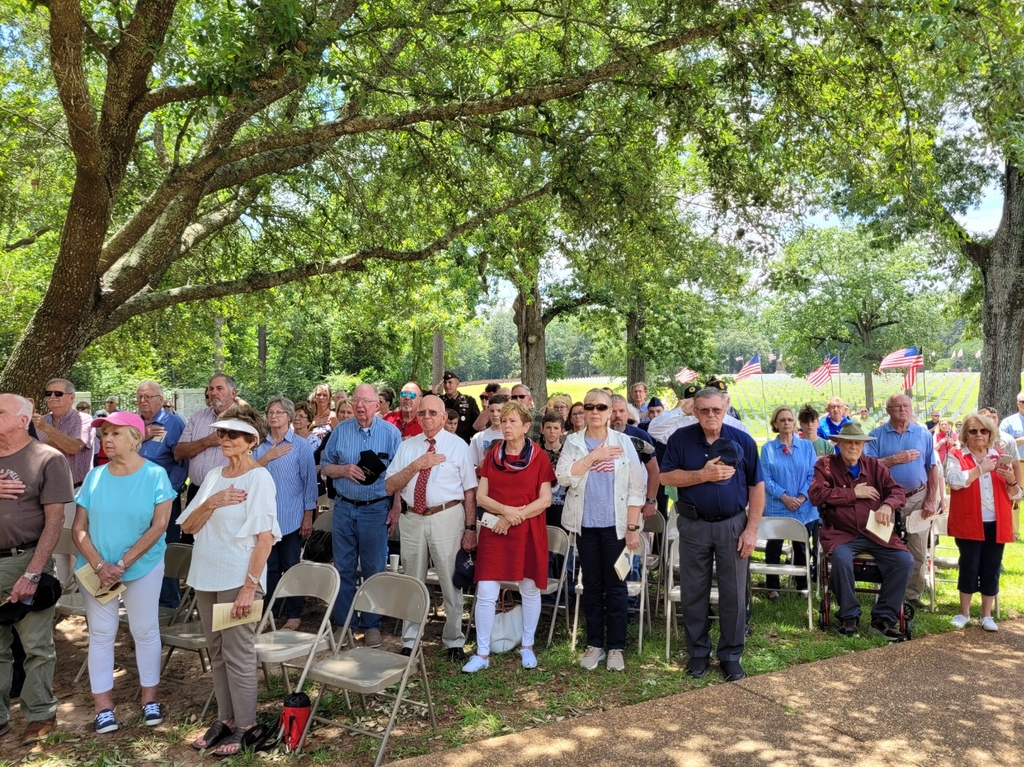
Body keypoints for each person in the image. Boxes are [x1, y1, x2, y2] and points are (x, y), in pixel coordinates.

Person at [178, 405, 281, 757]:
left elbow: (265, 539)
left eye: (232, 434)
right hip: (206, 574)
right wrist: (213, 502)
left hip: (239, 578)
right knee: (217, 651)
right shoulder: (214, 477)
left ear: (251, 440)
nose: (224, 439)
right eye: (221, 433)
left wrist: (250, 587)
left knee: (238, 652)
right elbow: (188, 527)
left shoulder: (259, 479)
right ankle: (225, 719)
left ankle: (247, 725)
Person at [72, 411, 174, 734]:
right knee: (101, 635)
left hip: (142, 566)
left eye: (115, 434)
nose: (107, 440)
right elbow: (78, 529)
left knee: (145, 631)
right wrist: (101, 566)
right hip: (96, 569)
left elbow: (158, 527)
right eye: (104, 435)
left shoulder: (156, 476)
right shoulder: (94, 477)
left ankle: (150, 700)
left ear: (135, 438)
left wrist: (123, 564)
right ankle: (103, 708)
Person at [660, 387, 763, 681]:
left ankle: (731, 655)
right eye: (704, 410)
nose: (710, 415)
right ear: (694, 410)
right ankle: (698, 653)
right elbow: (666, 476)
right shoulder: (680, 439)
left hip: (733, 525)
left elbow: (757, 486)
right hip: (693, 525)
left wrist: (751, 529)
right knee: (694, 591)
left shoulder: (742, 440)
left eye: (716, 410)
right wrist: (701, 475)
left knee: (733, 592)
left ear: (726, 407)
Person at [556, 389, 645, 673]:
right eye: (590, 406)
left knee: (617, 586)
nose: (595, 411)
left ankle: (616, 646)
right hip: (585, 526)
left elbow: (636, 488)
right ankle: (595, 643)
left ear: (610, 411)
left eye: (601, 407)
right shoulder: (573, 441)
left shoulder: (623, 442)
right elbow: (564, 477)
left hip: (616, 528)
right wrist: (594, 456)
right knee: (592, 587)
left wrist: (632, 528)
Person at [0, 393, 71, 745]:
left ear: (21, 418)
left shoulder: (48, 458)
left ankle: (40, 713)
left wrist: (32, 573)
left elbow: (55, 521)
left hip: (23, 560)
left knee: (36, 646)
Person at [462, 400, 554, 673]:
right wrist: (505, 513)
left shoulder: (539, 456)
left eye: (513, 421)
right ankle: (482, 652)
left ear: (527, 426)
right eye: (504, 421)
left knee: (529, 588)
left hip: (527, 530)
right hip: (496, 529)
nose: (506, 425)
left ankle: (527, 646)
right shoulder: (493, 454)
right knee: (487, 590)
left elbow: (545, 500)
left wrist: (514, 517)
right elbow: (481, 496)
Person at [385, 395, 477, 660]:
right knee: (413, 580)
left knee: (450, 581)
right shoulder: (408, 447)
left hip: (446, 517)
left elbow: (470, 492)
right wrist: (417, 465)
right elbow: (390, 486)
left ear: (444, 417)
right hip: (412, 518)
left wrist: (470, 528)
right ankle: (411, 639)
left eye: (433, 413)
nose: (427, 418)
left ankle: (454, 640)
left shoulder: (458, 446)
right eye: (422, 413)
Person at [808, 423, 911, 640]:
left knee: (905, 561)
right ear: (839, 443)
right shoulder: (825, 465)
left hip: (875, 533)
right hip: (841, 533)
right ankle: (849, 616)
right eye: (848, 442)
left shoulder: (874, 466)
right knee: (841, 558)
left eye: (857, 442)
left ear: (864, 444)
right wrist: (853, 493)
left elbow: (897, 490)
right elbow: (816, 494)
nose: (853, 446)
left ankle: (883, 617)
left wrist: (887, 505)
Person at [320, 385, 401, 647]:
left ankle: (371, 625)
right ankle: (344, 624)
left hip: (376, 508)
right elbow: (325, 466)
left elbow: (399, 475)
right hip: (343, 507)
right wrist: (343, 470)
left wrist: (396, 506)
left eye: (366, 401)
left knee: (373, 569)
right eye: (356, 400)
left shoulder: (391, 434)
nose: (360, 406)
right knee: (342, 567)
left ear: (378, 405)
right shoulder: (341, 431)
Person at [944, 413, 1020, 631]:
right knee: (969, 566)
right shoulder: (957, 455)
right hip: (969, 522)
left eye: (983, 431)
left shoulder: (1000, 456)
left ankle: (986, 616)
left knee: (991, 568)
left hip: (996, 521)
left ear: (990, 434)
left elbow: (1015, 494)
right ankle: (964, 613)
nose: (978, 435)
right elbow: (954, 481)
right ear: (965, 435)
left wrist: (1011, 480)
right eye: (973, 431)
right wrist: (980, 469)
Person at [864, 394, 939, 609]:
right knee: (887, 547)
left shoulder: (923, 434)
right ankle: (889, 592)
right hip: (886, 501)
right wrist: (895, 459)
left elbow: (932, 468)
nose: (903, 410)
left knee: (917, 549)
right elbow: (868, 467)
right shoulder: (876, 436)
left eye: (906, 406)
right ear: (888, 410)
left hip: (917, 497)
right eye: (897, 406)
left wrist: (931, 500)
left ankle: (912, 594)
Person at [254, 397, 318, 630]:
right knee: (268, 568)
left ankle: (294, 614)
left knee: (291, 566)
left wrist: (308, 516)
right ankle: (267, 613)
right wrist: (267, 457)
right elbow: (248, 475)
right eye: (270, 412)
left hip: (292, 518)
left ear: (289, 417)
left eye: (279, 412)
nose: (273, 416)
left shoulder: (300, 446)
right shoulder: (260, 445)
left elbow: (310, 483)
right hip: (265, 519)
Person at [32, 378, 94, 585]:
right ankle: (61, 597)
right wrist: (57, 438)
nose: (51, 397)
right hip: (46, 494)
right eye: (48, 393)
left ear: (71, 397)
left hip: (75, 492)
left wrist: (49, 433)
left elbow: (74, 446)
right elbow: (35, 450)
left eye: (57, 394)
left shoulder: (83, 419)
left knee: (79, 546)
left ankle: (84, 596)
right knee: (56, 549)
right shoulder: (42, 421)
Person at [135, 381, 189, 609]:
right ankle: (141, 596)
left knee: (164, 544)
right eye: (139, 397)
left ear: (160, 399)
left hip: (162, 497)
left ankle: (168, 600)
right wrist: (141, 437)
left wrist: (170, 490)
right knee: (137, 543)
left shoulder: (173, 423)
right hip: (133, 495)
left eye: (148, 396)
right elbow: (116, 452)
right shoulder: (133, 423)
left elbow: (182, 460)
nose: (143, 401)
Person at [760, 406, 818, 598]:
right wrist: (784, 496)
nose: (786, 423)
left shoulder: (807, 447)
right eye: (782, 420)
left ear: (795, 424)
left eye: (790, 420)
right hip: (778, 505)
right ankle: (773, 587)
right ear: (775, 424)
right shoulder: (768, 449)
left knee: (801, 547)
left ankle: (802, 586)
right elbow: (766, 478)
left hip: (803, 506)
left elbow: (812, 474)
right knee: (774, 547)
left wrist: (801, 497)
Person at [174, 374, 239, 507]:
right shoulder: (197, 418)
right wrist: (208, 441)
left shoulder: (243, 419)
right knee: (190, 528)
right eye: (211, 389)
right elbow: (178, 453)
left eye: (219, 388)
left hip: (228, 493)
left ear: (233, 393)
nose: (213, 392)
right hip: (196, 492)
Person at [610, 395, 660, 521]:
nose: (618, 415)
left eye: (622, 411)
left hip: (633, 502)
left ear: (627, 413)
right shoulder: (597, 437)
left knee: (632, 539)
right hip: (604, 504)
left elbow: (654, 471)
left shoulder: (640, 436)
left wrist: (650, 501)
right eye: (613, 411)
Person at [540, 412, 567, 527]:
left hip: (562, 506)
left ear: (562, 431)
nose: (552, 431)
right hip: (540, 505)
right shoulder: (536, 453)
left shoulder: (568, 453)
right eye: (548, 428)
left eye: (556, 428)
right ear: (542, 430)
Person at [440, 371, 480, 444]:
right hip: (443, 443)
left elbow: (476, 424)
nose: (447, 385)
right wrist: (433, 391)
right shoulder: (439, 401)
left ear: (457, 384)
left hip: (463, 442)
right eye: (445, 383)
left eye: (450, 382)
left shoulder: (469, 401)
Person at [470, 394, 508, 467]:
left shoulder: (513, 436)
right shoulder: (478, 437)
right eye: (491, 411)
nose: (495, 414)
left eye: (499, 411)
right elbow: (471, 465)